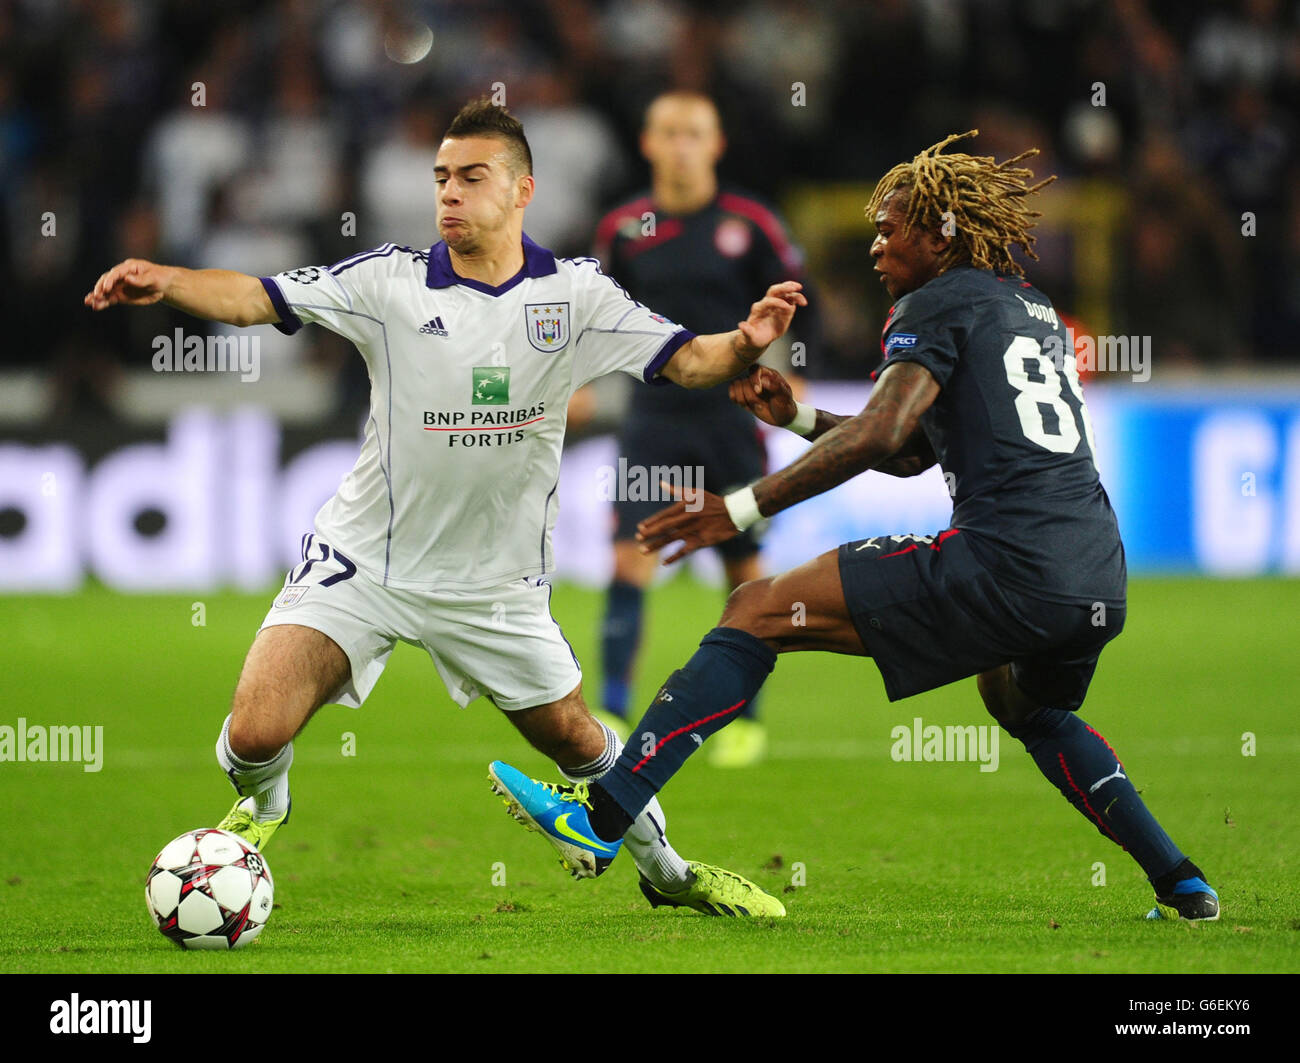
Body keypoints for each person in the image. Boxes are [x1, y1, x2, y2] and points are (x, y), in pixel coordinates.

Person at [84, 98, 806, 918]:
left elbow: (689, 360)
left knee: (574, 736)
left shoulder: (575, 296)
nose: (450, 194)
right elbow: (256, 297)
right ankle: (267, 803)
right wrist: (167, 280)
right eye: (441, 178)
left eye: (471, 177)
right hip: (366, 560)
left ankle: (672, 874)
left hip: (491, 586)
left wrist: (745, 344)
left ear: (523, 189)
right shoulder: (384, 281)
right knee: (253, 732)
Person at [487, 131, 1220, 922]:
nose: (874, 244)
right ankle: (1183, 884)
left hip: (1006, 564)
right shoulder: (1028, 305)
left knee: (755, 610)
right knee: (1027, 704)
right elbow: (911, 451)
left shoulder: (931, 303)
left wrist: (737, 506)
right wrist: (799, 415)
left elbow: (878, 435)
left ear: (940, 235)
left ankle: (598, 821)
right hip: (1096, 576)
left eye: (890, 227)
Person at [586, 91, 816, 767]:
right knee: (631, 557)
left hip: (730, 417)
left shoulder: (752, 222)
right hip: (652, 416)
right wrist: (574, 382)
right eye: (669, 133)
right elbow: (593, 315)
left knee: (744, 568)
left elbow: (805, 306)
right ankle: (611, 708)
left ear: (715, 144)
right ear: (648, 143)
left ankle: (746, 716)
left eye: (694, 133)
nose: (681, 145)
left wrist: (793, 368)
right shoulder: (624, 228)